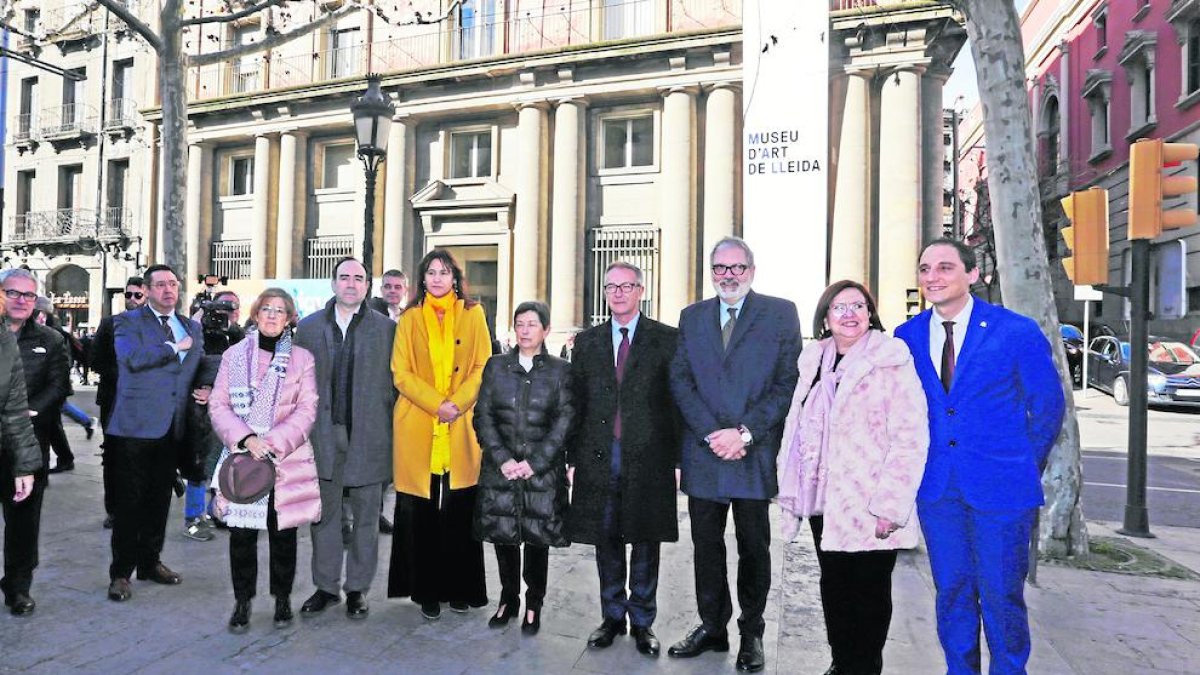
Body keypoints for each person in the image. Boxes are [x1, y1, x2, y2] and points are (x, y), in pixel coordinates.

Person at [894, 238, 1065, 675]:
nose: (932, 277)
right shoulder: (906, 337)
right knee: (952, 591)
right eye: (925, 268)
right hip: (938, 491)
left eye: (945, 267)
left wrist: (1022, 465)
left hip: (1004, 492)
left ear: (972, 274)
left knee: (1001, 594)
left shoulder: (1016, 331)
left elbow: (1047, 407)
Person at [777, 280, 929, 675]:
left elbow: (911, 437)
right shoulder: (815, 360)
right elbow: (797, 425)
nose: (849, 314)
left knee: (869, 594)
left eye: (858, 306)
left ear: (870, 314)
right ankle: (842, 662)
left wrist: (891, 505)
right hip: (825, 500)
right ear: (825, 317)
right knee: (834, 587)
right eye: (839, 307)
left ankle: (863, 667)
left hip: (871, 502)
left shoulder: (891, 360)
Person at [668, 236, 801, 673]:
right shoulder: (691, 317)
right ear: (711, 272)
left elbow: (787, 382)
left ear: (752, 271)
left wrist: (744, 433)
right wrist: (712, 433)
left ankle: (752, 633)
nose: (729, 275)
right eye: (720, 268)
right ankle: (712, 627)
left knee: (753, 548)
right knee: (705, 547)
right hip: (705, 451)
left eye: (737, 267)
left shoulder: (780, 314)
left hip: (752, 452)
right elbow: (681, 380)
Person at [567, 261, 680, 657]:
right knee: (607, 537)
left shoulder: (666, 339)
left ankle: (643, 621)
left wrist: (677, 461)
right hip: (599, 456)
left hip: (649, 458)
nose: (618, 293)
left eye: (626, 286)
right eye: (611, 286)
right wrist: (571, 458)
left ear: (641, 291)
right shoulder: (587, 342)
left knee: (646, 539)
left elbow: (676, 404)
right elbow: (576, 403)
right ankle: (612, 616)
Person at [209, 288, 322, 633]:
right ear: (256, 315)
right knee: (241, 536)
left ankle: (282, 598)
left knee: (283, 533)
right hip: (243, 457)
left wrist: (270, 443)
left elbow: (307, 409)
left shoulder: (302, 359)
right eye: (266, 309)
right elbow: (218, 404)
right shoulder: (234, 355)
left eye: (280, 310)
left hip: (284, 457)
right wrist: (246, 439)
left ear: (289, 319)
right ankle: (242, 600)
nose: (272, 315)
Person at [388, 249, 492, 620]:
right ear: (422, 278)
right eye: (431, 272)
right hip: (419, 423)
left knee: (461, 511)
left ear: (455, 278)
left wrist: (457, 404)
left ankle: (460, 589)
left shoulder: (474, 314)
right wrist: (437, 405)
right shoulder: (409, 318)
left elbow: (482, 365)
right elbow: (401, 372)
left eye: (444, 272)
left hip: (461, 424)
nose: (437, 278)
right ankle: (426, 591)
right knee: (422, 513)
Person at [294, 257, 396, 620]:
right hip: (323, 436)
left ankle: (357, 590)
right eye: (344, 277)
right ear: (333, 283)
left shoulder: (387, 330)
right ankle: (326, 588)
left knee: (367, 518)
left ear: (367, 285)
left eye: (358, 278)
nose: (351, 283)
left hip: (369, 436)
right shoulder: (308, 328)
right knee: (324, 517)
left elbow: (397, 386)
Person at [105, 264, 206, 602]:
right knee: (129, 502)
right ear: (147, 291)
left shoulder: (191, 326)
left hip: (173, 427)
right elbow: (132, 358)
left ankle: (150, 562)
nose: (168, 290)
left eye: (173, 284)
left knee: (160, 500)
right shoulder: (127, 322)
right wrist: (173, 347)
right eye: (160, 284)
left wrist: (207, 386)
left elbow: (199, 365)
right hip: (134, 427)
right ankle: (121, 572)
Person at [472, 301, 573, 635]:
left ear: (546, 329)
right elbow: (483, 416)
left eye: (532, 324)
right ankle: (508, 598)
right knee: (503, 536)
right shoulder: (496, 366)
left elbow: (565, 421)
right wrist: (503, 459)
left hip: (541, 472)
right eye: (520, 324)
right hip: (501, 469)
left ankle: (534, 602)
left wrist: (535, 463)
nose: (525, 330)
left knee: (536, 539)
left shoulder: (560, 371)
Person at [0, 284, 50, 616]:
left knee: (22, 524)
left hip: (15, 444)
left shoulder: (6, 341)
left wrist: (25, 464)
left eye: (28, 294)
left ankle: (18, 586)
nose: (20, 300)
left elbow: (13, 407)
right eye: (13, 292)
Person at [91, 276, 146, 529]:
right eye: (128, 294)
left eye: (137, 295)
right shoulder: (109, 324)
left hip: (145, 404)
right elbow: (95, 360)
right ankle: (113, 510)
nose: (131, 300)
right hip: (114, 401)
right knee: (113, 456)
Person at [368, 268, 408, 535]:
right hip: (376, 396)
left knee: (391, 461)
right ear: (381, 289)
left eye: (397, 287)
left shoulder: (409, 316)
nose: (392, 291)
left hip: (401, 396)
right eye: (388, 286)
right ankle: (361, 516)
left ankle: (378, 511)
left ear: (405, 290)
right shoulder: (371, 314)